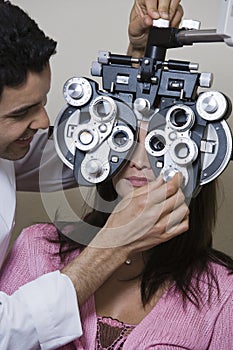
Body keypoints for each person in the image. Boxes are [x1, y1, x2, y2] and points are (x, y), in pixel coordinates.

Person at [0, 0, 184, 348]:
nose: (43, 122)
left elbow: (79, 153)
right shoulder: (38, 249)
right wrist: (113, 246)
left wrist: (138, 62)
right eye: (22, 113)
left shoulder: (221, 292)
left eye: (43, 103)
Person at [1, 120, 232, 350]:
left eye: (160, 143)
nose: (138, 162)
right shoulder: (39, 247)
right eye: (124, 140)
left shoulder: (223, 291)